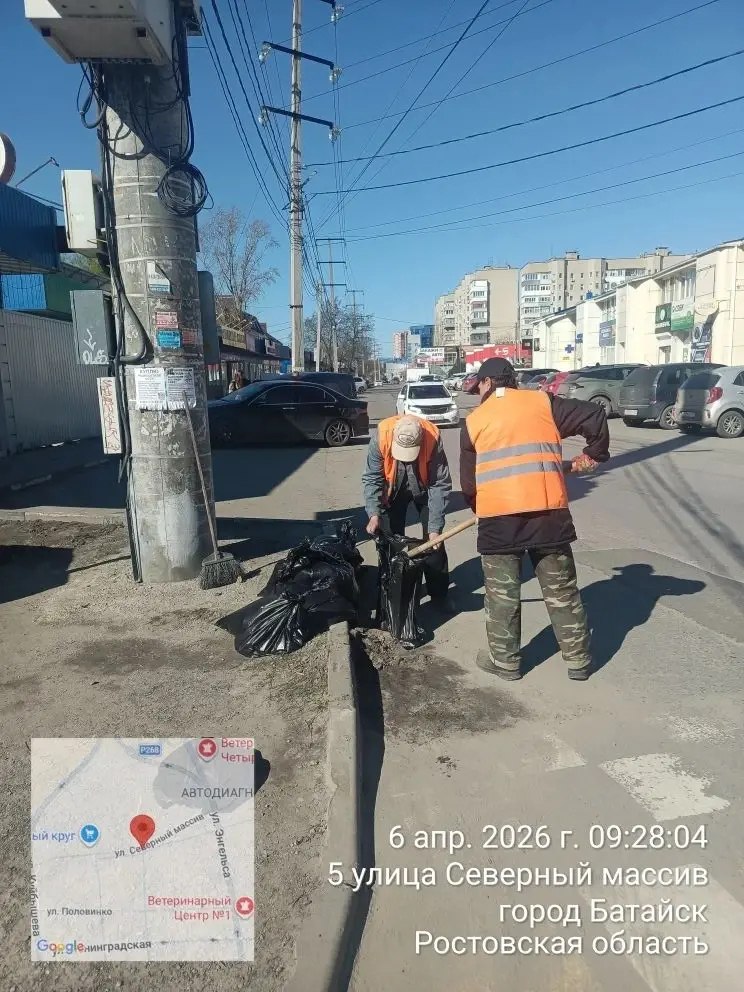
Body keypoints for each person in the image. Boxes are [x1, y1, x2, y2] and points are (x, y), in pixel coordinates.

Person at [460, 357, 610, 682]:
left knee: (502, 597)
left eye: (478, 387)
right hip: (549, 518)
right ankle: (578, 661)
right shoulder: (543, 403)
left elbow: (469, 486)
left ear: (487, 383)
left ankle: (506, 663)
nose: (478, 394)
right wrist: (594, 455)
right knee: (562, 592)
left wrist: (480, 509)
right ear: (513, 380)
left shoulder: (473, 422)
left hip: (499, 523)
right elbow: (595, 415)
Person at [363, 414, 452, 605]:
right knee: (390, 542)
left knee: (434, 544)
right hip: (392, 491)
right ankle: (392, 593)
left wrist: (435, 529)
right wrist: (374, 514)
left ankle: (439, 595)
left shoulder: (432, 438)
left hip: (425, 489)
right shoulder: (382, 436)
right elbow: (372, 477)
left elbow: (439, 484)